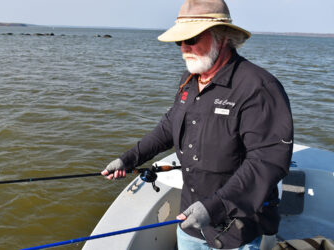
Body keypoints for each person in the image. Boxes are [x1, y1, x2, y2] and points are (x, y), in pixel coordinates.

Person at [102, 0, 294, 249]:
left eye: (191, 39)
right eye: (179, 42)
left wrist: (215, 206)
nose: (184, 48)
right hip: (190, 222)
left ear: (222, 37)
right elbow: (169, 126)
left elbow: (267, 162)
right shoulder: (189, 80)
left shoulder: (259, 88)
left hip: (239, 231)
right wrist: (129, 158)